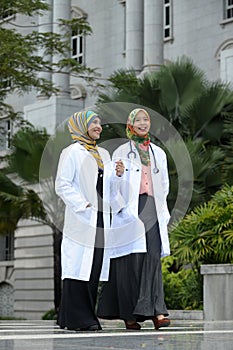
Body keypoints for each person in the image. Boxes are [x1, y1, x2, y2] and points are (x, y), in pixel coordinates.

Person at [97, 108, 171, 330]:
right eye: (137, 120)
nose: (142, 123)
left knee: (152, 258)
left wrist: (161, 208)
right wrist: (118, 178)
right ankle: (130, 315)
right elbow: (111, 186)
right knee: (129, 262)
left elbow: (164, 184)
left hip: (152, 207)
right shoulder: (121, 151)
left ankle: (157, 312)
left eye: (145, 120)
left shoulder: (159, 153)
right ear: (130, 125)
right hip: (130, 209)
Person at [55, 110, 111, 331]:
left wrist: (116, 175)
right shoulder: (71, 152)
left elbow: (110, 187)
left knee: (94, 266)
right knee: (78, 266)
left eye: (99, 122)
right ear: (81, 125)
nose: (99, 126)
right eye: (93, 122)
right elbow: (63, 184)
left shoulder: (104, 154)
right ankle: (80, 319)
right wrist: (83, 204)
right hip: (82, 216)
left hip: (101, 217)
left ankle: (69, 318)